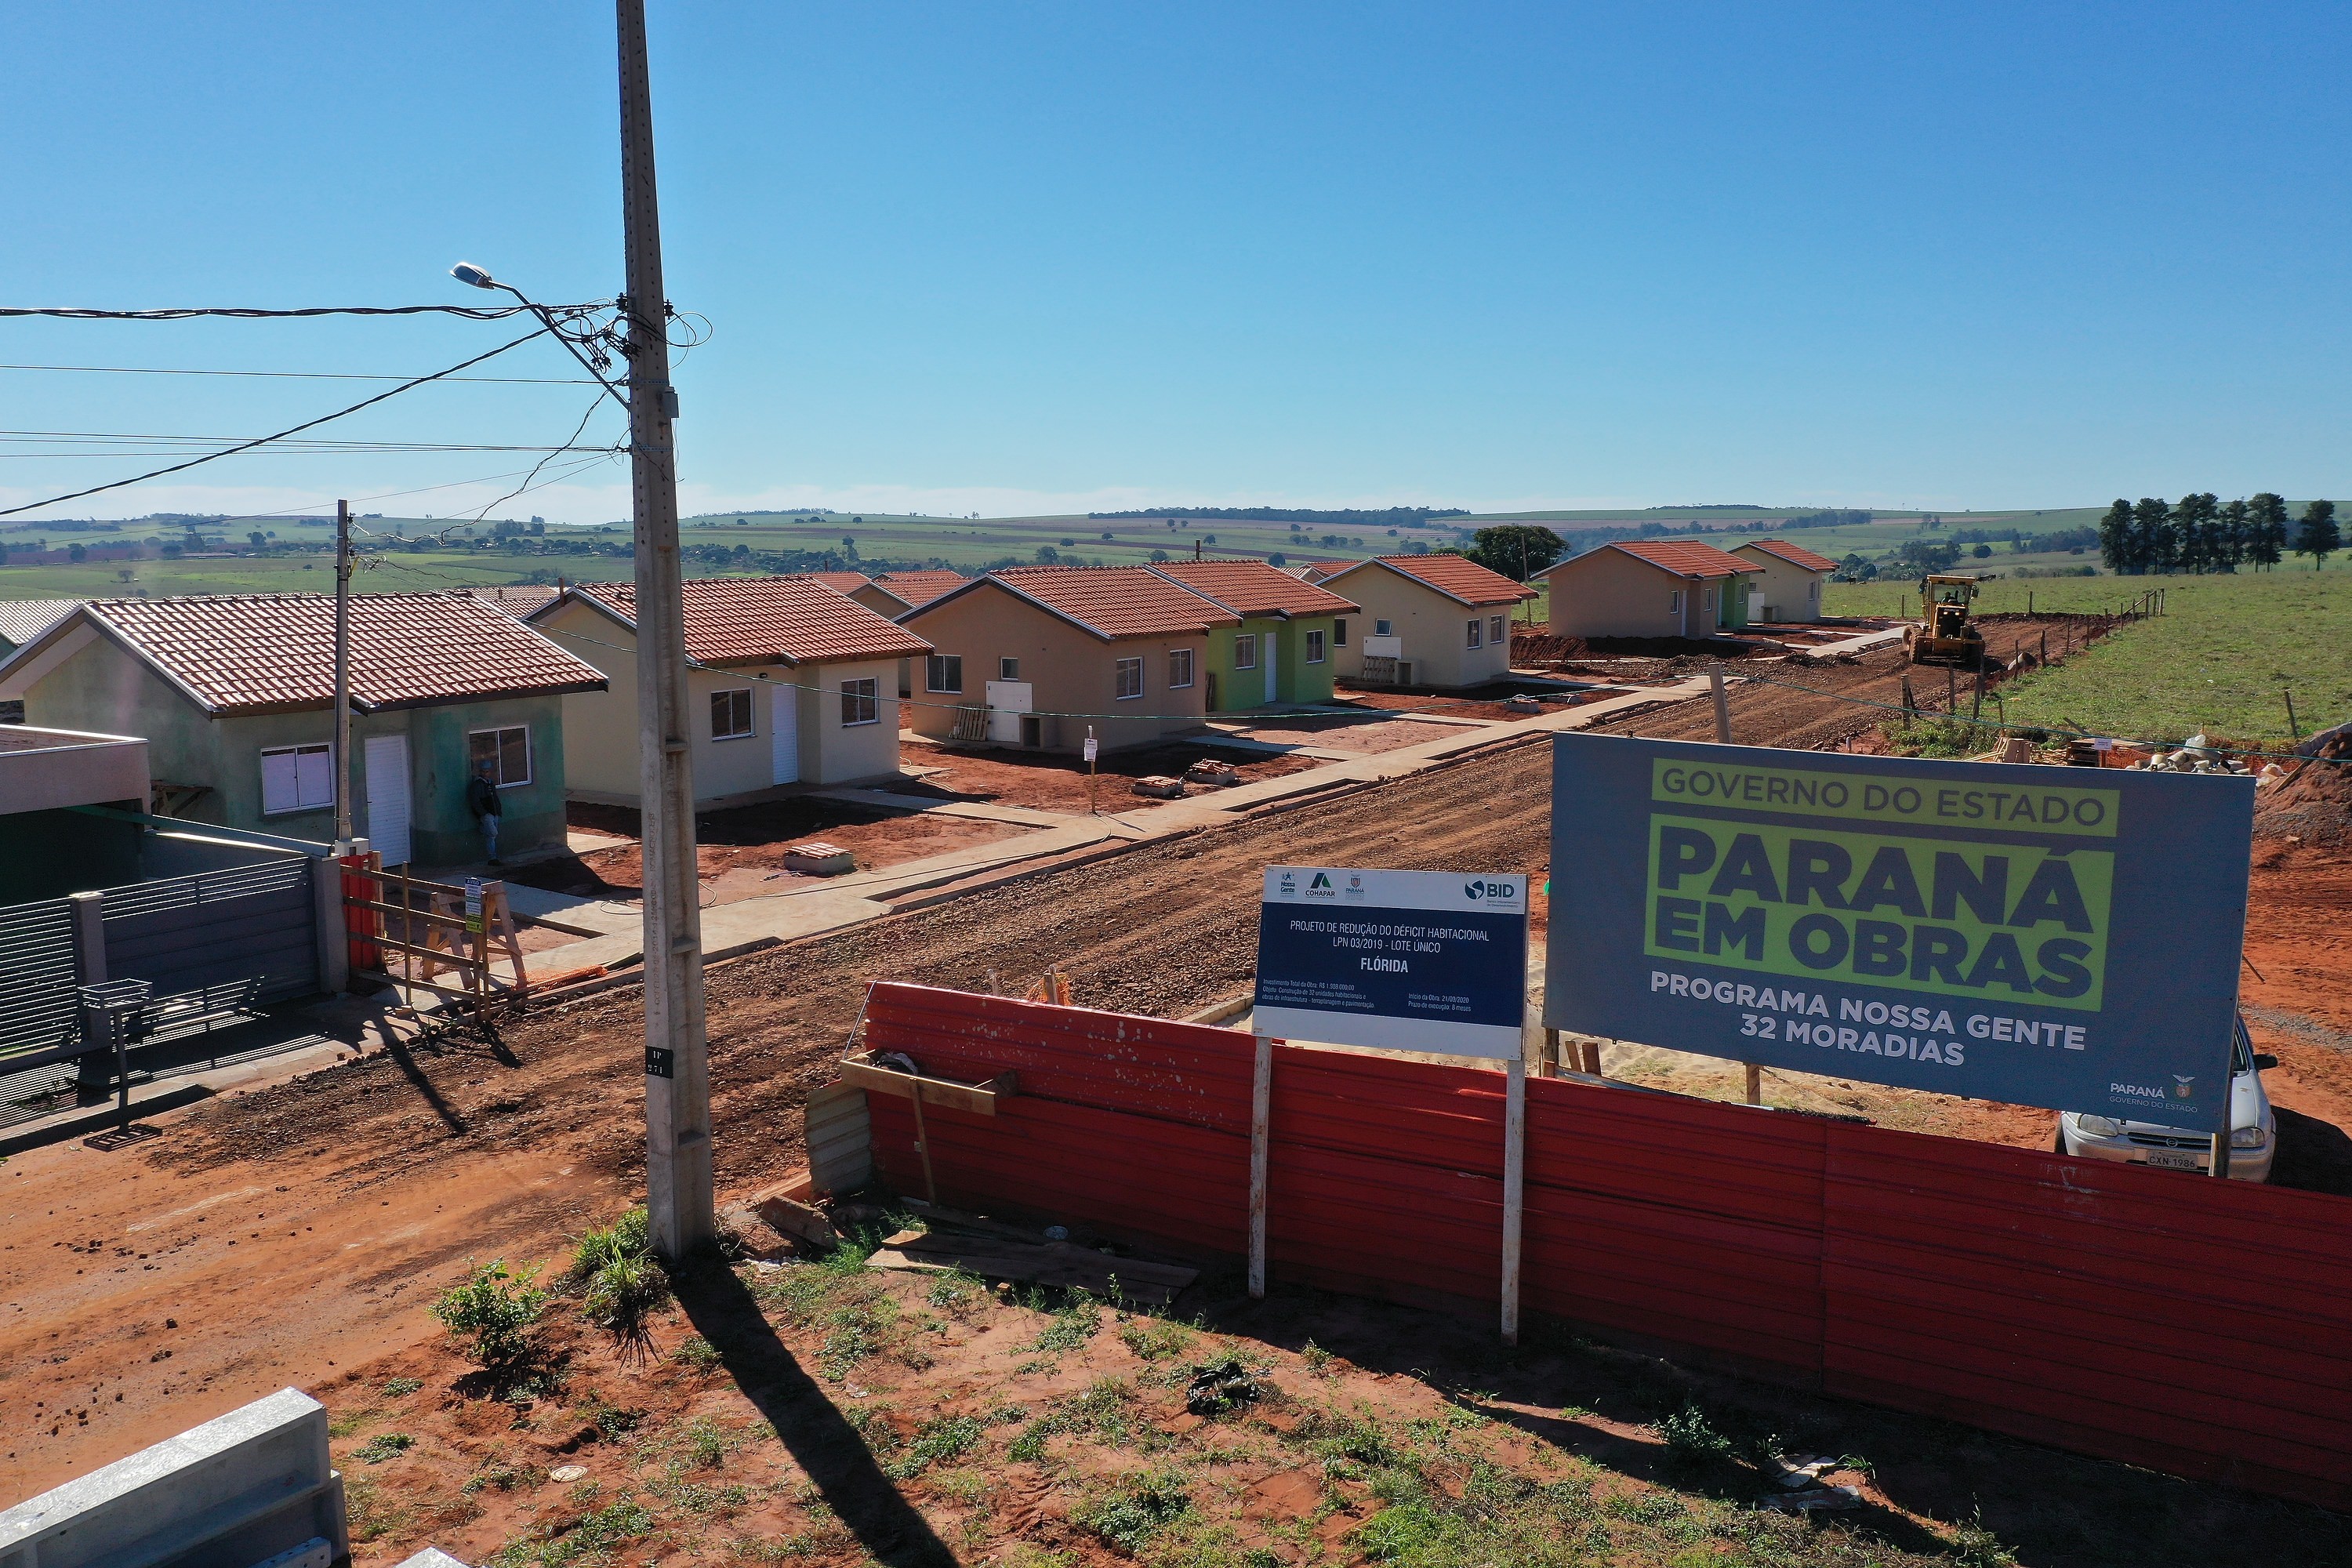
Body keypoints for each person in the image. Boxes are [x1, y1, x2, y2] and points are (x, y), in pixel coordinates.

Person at [466, 763, 503, 866]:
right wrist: (483, 813)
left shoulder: (490, 783)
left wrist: (498, 810)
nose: (485, 774)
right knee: (492, 833)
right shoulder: (477, 784)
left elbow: (495, 797)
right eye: (483, 771)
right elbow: (475, 801)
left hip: (494, 812)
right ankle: (493, 857)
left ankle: (493, 858)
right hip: (486, 813)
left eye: (487, 771)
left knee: (491, 836)